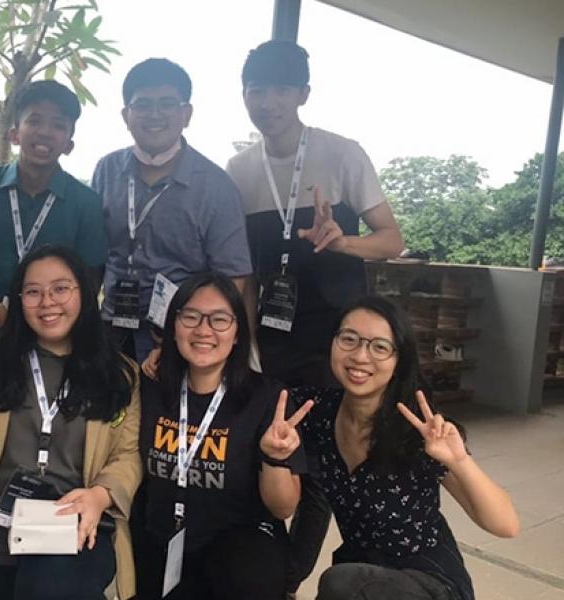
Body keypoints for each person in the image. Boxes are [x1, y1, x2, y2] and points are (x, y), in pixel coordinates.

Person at [225, 40, 405, 594]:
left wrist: (343, 240)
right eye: (256, 89)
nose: (267, 100)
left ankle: (286, 576)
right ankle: (265, 562)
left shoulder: (341, 154)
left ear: (302, 94)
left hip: (336, 344)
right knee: (275, 453)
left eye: (280, 88)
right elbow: (246, 272)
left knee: (322, 464)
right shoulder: (239, 169)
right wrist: (248, 342)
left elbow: (392, 240)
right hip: (273, 342)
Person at [0, 245, 141, 600]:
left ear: (84, 294)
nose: (47, 302)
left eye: (61, 288)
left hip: (73, 532)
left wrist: (100, 495)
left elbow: (128, 455)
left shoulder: (119, 374)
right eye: (33, 292)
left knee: (52, 588)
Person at [296, 296, 519, 600]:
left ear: (400, 359)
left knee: (341, 582)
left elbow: (505, 524)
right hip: (361, 576)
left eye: (380, 347)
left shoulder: (417, 433)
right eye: (349, 339)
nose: (361, 356)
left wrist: (459, 461)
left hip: (429, 583)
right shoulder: (317, 412)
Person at [135, 272, 313, 599]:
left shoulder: (267, 398)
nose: (204, 330)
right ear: (173, 327)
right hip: (164, 538)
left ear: (236, 333)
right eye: (190, 316)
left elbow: (283, 508)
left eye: (219, 319)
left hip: (241, 545)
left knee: (244, 575)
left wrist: (275, 456)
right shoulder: (149, 387)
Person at [93, 58, 255, 363]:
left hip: (177, 338)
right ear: (126, 115)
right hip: (108, 330)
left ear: (187, 114)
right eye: (142, 105)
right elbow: (93, 254)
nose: (154, 114)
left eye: (167, 103)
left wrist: (197, 335)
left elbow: (232, 278)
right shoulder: (106, 171)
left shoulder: (216, 187)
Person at [0, 80, 107, 331]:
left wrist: (57, 321)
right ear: (15, 134)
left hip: (57, 331)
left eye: (58, 125)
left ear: (69, 144)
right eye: (34, 121)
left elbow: (91, 277)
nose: (45, 132)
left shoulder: (86, 202)